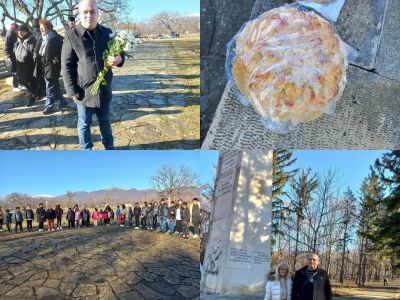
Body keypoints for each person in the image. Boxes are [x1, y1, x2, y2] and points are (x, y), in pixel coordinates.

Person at [61, 0, 125, 150]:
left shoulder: (107, 32)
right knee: (84, 124)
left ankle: (109, 148)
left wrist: (120, 59)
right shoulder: (71, 35)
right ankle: (86, 149)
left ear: (97, 14)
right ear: (79, 14)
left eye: (92, 12)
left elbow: (119, 53)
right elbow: (66, 65)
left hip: (103, 89)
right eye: (85, 12)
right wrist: (71, 90)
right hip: (83, 92)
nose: (89, 15)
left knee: (106, 123)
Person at [34, 19, 65, 113]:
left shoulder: (56, 39)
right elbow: (36, 49)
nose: (42, 30)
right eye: (40, 28)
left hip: (52, 65)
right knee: (54, 85)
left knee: (49, 86)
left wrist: (55, 61)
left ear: (49, 28)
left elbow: (62, 52)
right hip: (42, 64)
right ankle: (63, 102)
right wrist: (35, 55)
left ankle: (49, 106)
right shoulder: (41, 37)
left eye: (44, 28)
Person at [14, 23, 37, 106]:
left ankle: (32, 97)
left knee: (31, 81)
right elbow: (15, 53)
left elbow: (35, 52)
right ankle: (35, 92)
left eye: (22, 31)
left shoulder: (32, 40)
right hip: (20, 66)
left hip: (30, 65)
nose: (20, 33)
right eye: (19, 31)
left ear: (26, 32)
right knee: (21, 80)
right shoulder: (17, 42)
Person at [3, 23, 19, 91]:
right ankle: (15, 86)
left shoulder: (13, 34)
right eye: (17, 29)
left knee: (16, 70)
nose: (18, 31)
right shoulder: (10, 35)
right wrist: (9, 56)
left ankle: (17, 84)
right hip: (11, 56)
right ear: (14, 29)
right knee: (14, 70)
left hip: (14, 55)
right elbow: (7, 47)